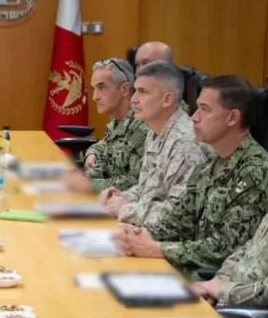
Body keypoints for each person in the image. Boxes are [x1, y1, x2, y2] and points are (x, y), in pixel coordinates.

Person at [113, 75, 268, 278]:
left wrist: (157, 249)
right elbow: (178, 221)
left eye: (205, 109)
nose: (194, 117)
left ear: (232, 118)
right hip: (189, 270)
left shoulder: (255, 172)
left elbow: (226, 248)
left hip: (215, 283)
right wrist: (136, 235)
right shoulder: (210, 165)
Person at [100, 61, 209, 228]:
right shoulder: (155, 130)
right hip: (148, 226)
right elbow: (149, 189)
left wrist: (126, 209)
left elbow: (179, 216)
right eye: (135, 90)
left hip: (170, 236)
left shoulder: (185, 145)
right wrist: (120, 197)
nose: (133, 100)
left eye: (143, 92)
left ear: (167, 99)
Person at [63, 59, 147, 193]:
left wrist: (88, 184)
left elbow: (137, 182)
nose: (94, 97)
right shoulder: (116, 120)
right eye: (94, 89)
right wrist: (85, 176)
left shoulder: (143, 125)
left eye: (102, 87)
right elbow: (107, 162)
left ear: (124, 89)